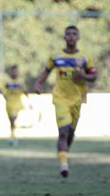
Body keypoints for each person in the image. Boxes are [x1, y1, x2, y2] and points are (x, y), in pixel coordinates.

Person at [35, 25, 96, 178]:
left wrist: (84, 76)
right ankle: (64, 164)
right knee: (63, 131)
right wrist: (39, 83)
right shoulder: (56, 56)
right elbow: (46, 70)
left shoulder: (85, 58)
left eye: (74, 34)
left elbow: (93, 77)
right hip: (60, 97)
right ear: (64, 37)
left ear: (78, 37)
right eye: (68, 33)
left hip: (77, 98)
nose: (71, 36)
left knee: (70, 133)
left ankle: (63, 152)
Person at [0, 65, 31, 146]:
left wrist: (30, 101)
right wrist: (3, 94)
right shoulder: (6, 80)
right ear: (11, 72)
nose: (15, 73)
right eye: (14, 71)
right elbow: (0, 89)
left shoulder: (20, 81)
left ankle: (13, 137)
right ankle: (12, 135)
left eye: (16, 71)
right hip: (9, 104)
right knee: (11, 121)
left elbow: (25, 91)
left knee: (13, 118)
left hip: (17, 104)